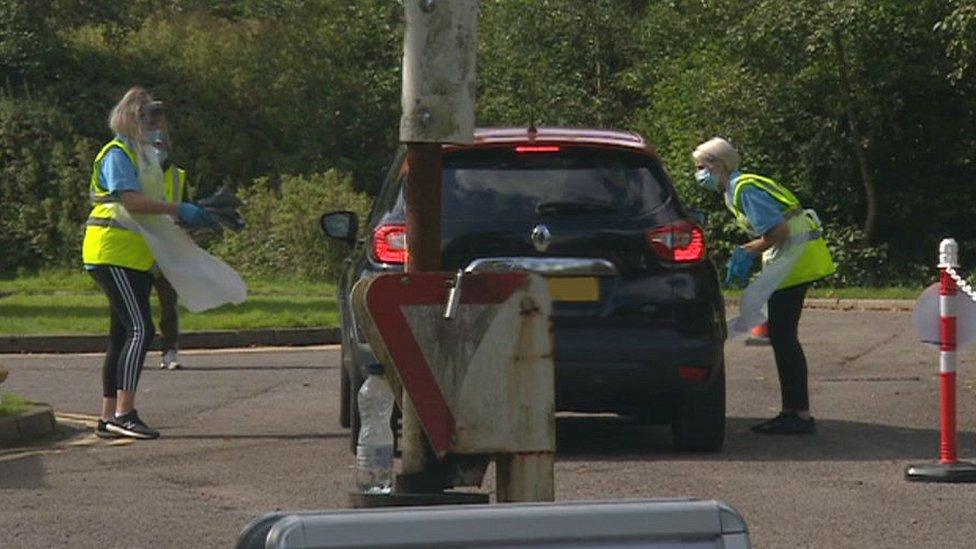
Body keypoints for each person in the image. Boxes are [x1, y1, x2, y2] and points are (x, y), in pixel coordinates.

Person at [83, 86, 215, 439]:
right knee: (142, 329)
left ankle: (108, 416)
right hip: (113, 252)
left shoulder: (141, 157)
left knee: (121, 334)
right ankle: (125, 412)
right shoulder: (118, 154)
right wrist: (177, 209)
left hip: (131, 256)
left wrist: (185, 217)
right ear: (134, 119)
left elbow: (151, 209)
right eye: (151, 118)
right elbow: (131, 201)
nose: (157, 126)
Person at [693, 137, 836, 435]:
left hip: (794, 262)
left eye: (701, 167)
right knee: (784, 337)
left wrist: (749, 251)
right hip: (798, 260)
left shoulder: (743, 189)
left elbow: (779, 231)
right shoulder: (744, 184)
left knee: (784, 338)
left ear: (717, 165)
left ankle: (797, 413)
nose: (699, 174)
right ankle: (795, 411)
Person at [153, 135, 189, 371]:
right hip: (139, 245)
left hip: (168, 246)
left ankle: (169, 350)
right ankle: (127, 351)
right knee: (132, 304)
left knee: (169, 302)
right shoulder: (135, 171)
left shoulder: (178, 176)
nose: (157, 152)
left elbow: (186, 209)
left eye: (160, 147)